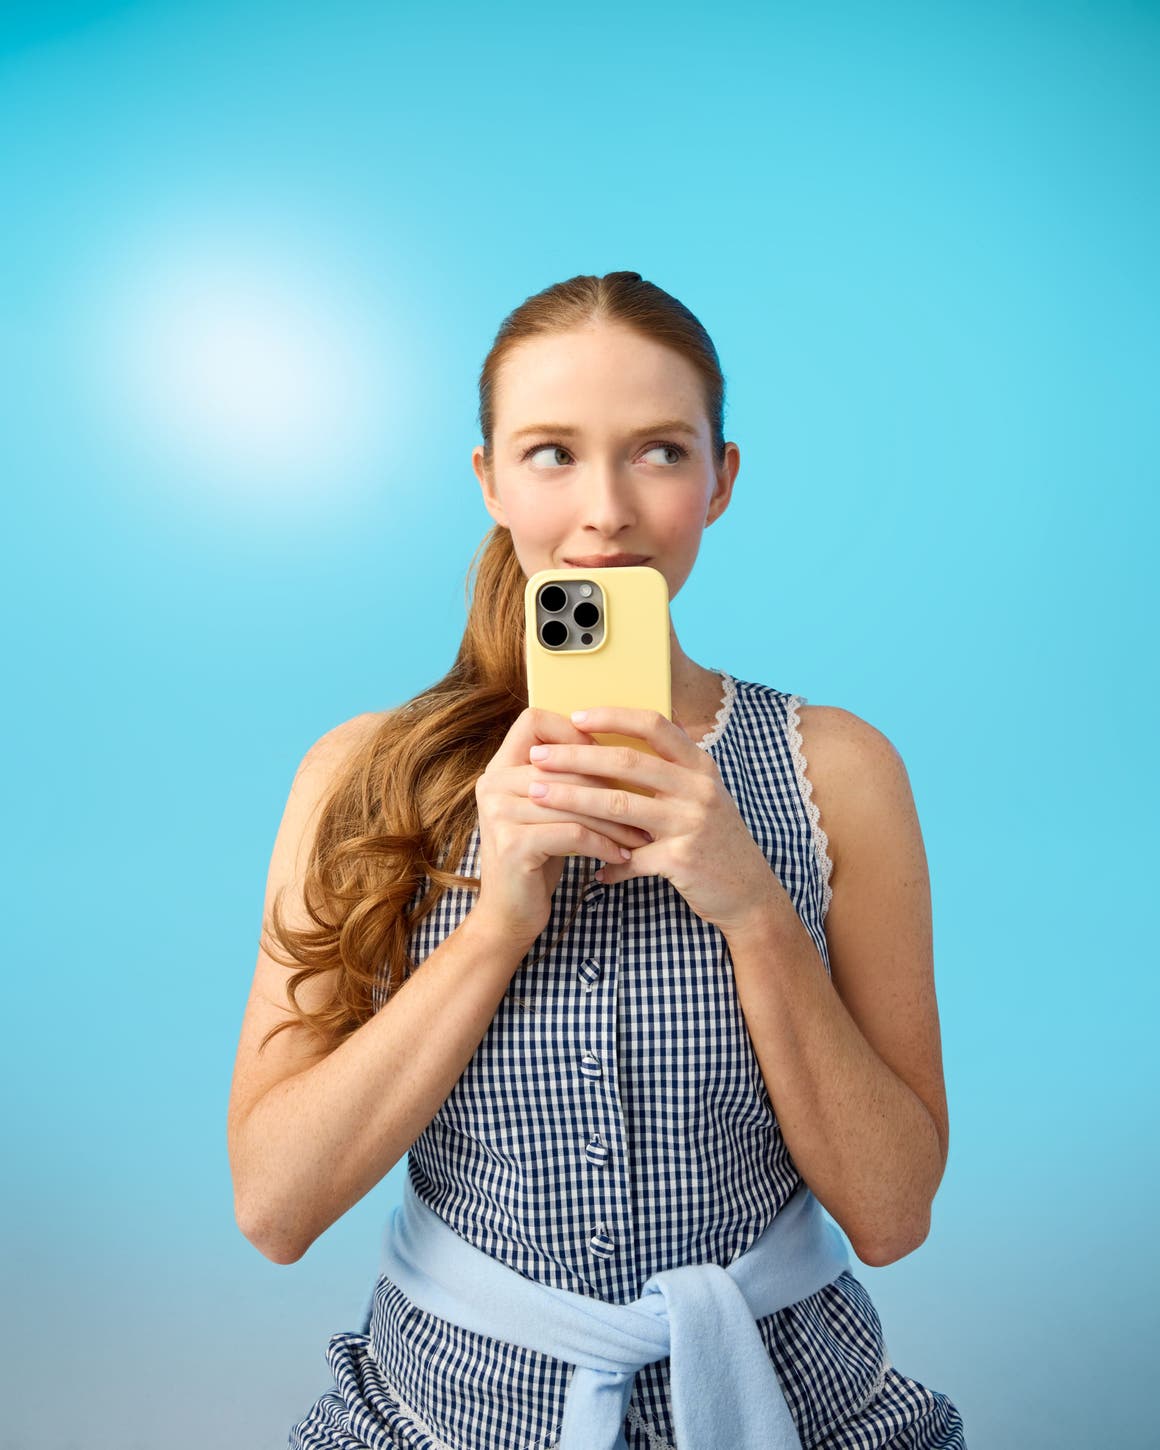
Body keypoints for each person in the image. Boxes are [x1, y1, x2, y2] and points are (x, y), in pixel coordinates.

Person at [227, 270, 967, 1449]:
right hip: (440, 1417)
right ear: (488, 480)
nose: (606, 512)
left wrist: (751, 906)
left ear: (720, 480)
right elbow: (273, 1204)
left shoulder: (836, 770)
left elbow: (889, 1214)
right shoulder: (363, 775)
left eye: (660, 452)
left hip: (802, 1411)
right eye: (552, 452)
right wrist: (494, 923)